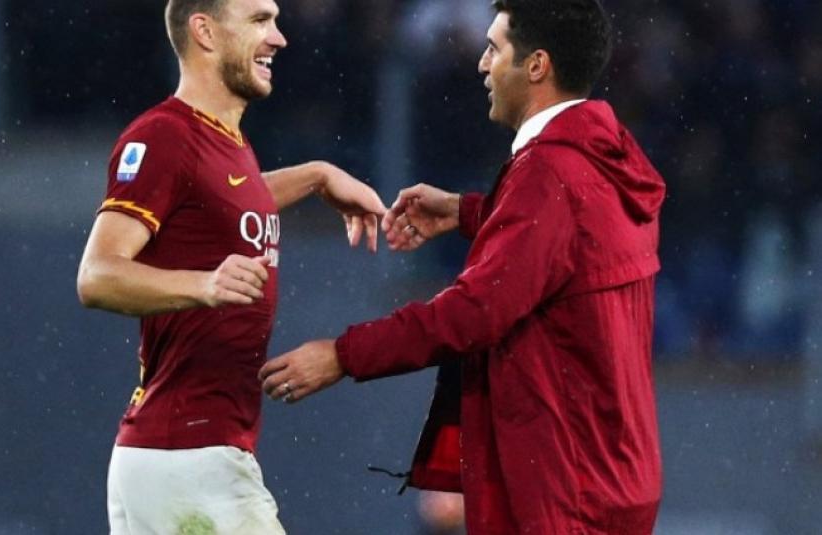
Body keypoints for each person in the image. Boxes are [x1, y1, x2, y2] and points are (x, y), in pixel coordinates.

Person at [260, 0, 666, 533]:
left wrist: (342, 355)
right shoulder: (605, 155)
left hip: (564, 485)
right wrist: (471, 211)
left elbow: (473, 313)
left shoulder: (550, 172)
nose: (482, 64)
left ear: (537, 66)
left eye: (494, 49)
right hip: (612, 471)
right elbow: (577, 246)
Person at [76, 0, 385, 533]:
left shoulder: (225, 143)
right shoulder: (163, 136)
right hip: (189, 459)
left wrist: (315, 175)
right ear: (205, 31)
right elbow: (97, 275)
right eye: (260, 20)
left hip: (179, 456)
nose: (279, 38)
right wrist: (205, 284)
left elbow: (225, 202)